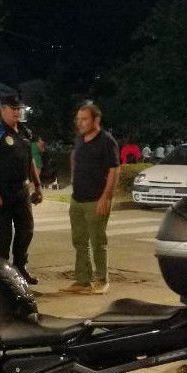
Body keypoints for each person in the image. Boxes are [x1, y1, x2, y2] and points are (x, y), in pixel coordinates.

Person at [0, 95, 44, 284]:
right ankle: (0, 275)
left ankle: (21, 267)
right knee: (4, 233)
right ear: (2, 109)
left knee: (26, 230)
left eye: (18, 108)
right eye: (12, 108)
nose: (16, 112)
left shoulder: (24, 132)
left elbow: (30, 161)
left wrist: (37, 186)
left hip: (21, 191)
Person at [61, 103, 119, 295]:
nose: (80, 123)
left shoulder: (106, 141)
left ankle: (102, 279)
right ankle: (82, 280)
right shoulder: (79, 139)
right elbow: (74, 156)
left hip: (96, 199)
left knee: (97, 242)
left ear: (96, 120)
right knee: (79, 241)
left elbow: (114, 170)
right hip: (77, 199)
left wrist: (106, 197)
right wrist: (73, 179)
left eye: (85, 119)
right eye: (79, 119)